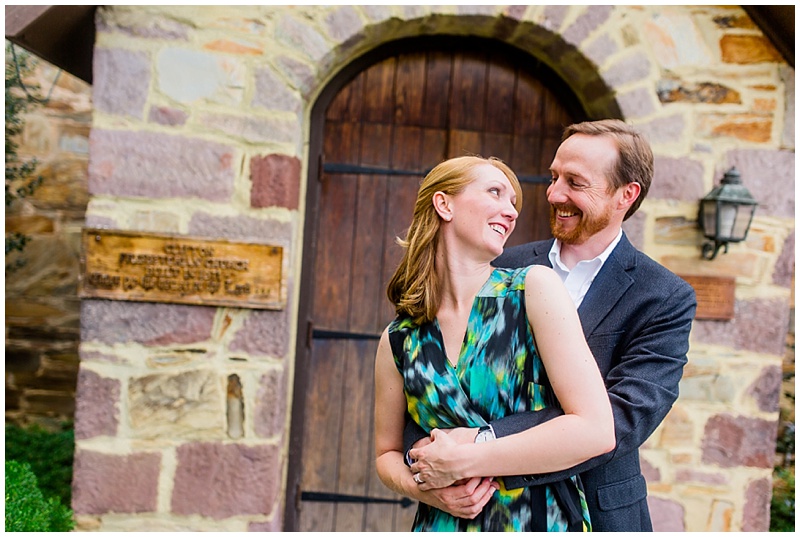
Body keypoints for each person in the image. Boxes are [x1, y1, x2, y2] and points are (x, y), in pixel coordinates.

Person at [403, 119, 697, 532]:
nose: (554, 194)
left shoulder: (663, 296)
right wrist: (425, 473)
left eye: (575, 182)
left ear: (625, 196)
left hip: (597, 512)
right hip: (481, 510)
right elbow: (431, 381)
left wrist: (482, 441)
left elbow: (622, 417)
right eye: (554, 177)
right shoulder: (502, 265)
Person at [374, 155, 616, 532]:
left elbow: (596, 430)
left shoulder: (533, 289)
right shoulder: (399, 338)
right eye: (495, 193)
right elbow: (386, 454)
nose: (511, 212)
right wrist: (424, 490)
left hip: (537, 520)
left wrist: (466, 460)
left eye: (513, 203)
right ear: (444, 204)